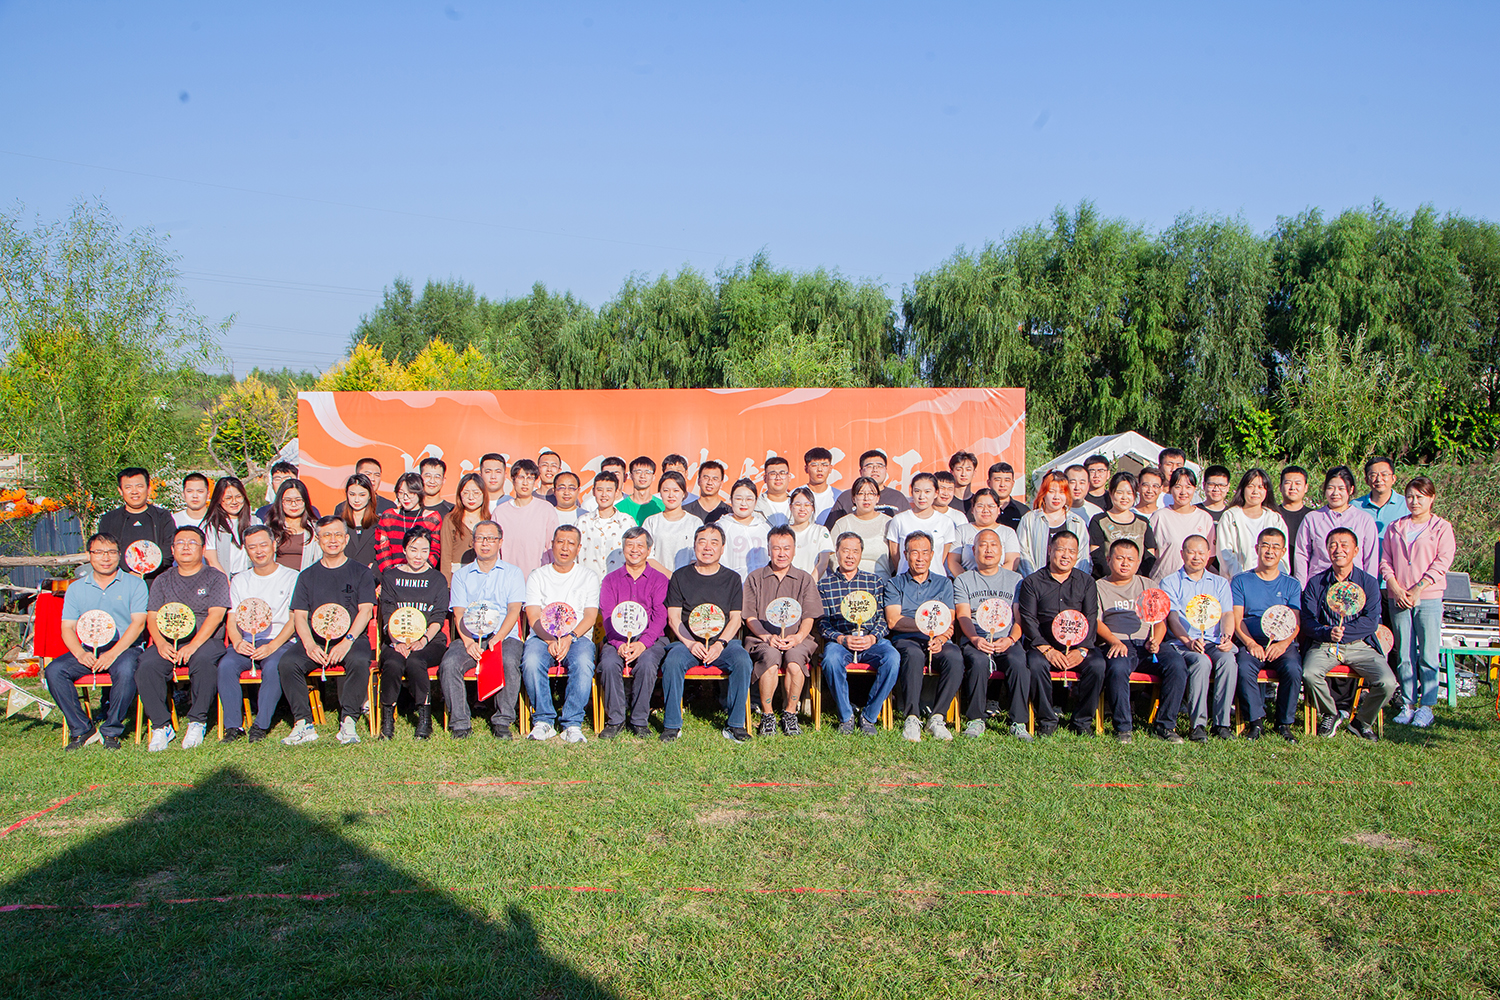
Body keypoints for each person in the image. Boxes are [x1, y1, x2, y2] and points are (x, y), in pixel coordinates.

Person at [277, 517, 377, 746]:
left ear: (346, 539)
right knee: (288, 663)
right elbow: (300, 616)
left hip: (351, 638)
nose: (333, 540)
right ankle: (303, 722)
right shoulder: (307, 576)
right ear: (318, 539)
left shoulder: (361, 572)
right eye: (326, 535)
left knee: (359, 660)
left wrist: (347, 641)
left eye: (338, 535)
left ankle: (348, 720)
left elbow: (365, 611)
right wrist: (310, 645)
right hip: (317, 639)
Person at [43, 532, 148, 751]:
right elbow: (67, 628)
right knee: (54, 670)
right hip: (88, 648)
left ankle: (111, 730)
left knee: (126, 670)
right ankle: (82, 729)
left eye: (111, 552)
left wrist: (113, 653)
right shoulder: (76, 588)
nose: (105, 557)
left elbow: (138, 624)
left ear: (119, 555)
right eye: (99, 552)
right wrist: (80, 653)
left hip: (125, 648)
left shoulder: (135, 584)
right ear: (89, 555)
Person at [137, 526, 230, 751]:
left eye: (192, 543)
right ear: (172, 549)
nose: (185, 547)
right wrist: (160, 643)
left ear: (203, 549)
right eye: (180, 543)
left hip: (205, 640)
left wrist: (193, 645)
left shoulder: (215, 577)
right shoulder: (162, 580)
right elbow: (152, 617)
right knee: (147, 666)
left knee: (203, 661)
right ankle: (161, 725)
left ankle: (197, 720)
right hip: (168, 640)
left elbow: (216, 615)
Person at [660, 524, 755, 743]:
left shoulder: (732, 579)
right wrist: (690, 643)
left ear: (722, 548)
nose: (707, 547)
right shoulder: (680, 576)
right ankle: (672, 725)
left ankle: (735, 725)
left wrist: (720, 644)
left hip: (722, 643)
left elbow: (735, 619)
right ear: (694, 546)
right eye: (702, 542)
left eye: (714, 542)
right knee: (672, 662)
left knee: (742, 661)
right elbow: (674, 618)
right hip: (688, 642)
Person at [1302, 528, 1396, 741]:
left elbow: (1371, 621)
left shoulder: (1368, 582)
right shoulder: (1316, 583)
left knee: (1387, 682)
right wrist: (1327, 632)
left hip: (1359, 644)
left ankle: (1362, 721)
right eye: (1333, 545)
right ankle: (1330, 712)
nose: (1338, 550)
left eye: (1344, 545)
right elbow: (1308, 621)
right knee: (1309, 673)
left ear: (1356, 550)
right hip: (1325, 644)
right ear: (1327, 550)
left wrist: (1345, 633)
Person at [437, 521, 526, 739]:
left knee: (509, 661)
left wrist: (498, 637)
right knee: (450, 664)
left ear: (500, 542)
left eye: (491, 539)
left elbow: (514, 610)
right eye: (480, 539)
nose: (485, 543)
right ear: (473, 542)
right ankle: (460, 723)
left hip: (503, 635)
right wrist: (468, 642)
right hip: (471, 635)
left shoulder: (513, 573)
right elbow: (458, 612)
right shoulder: (461, 575)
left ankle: (502, 720)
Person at [1094, 538, 1187, 743]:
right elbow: (1097, 622)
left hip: (1147, 641)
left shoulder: (1148, 585)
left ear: (1138, 563)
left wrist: (1156, 639)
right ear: (1109, 560)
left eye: (1130, 559)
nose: (1125, 563)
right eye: (1120, 558)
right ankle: (1123, 728)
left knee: (1177, 665)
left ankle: (1165, 725)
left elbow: (1160, 620)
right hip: (1118, 642)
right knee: (1118, 668)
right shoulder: (1099, 586)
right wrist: (1113, 641)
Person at [1379, 476, 1455, 728]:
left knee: (1428, 652)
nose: (1414, 501)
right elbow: (1385, 560)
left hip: (1428, 596)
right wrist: (1395, 587)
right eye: (1410, 496)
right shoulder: (1395, 527)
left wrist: (1419, 588)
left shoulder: (1441, 527)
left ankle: (1427, 705)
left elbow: (1443, 561)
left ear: (1431, 498)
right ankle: (1408, 703)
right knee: (1404, 653)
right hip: (1399, 596)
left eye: (1420, 497)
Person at [1015, 531, 1105, 737]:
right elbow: (1028, 619)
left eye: (1071, 551)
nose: (1066, 555)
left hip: (1078, 645)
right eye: (1061, 549)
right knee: (1035, 665)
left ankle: (1082, 721)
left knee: (1097, 665)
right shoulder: (1032, 582)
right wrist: (1047, 650)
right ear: (1050, 550)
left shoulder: (1086, 582)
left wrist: (1082, 650)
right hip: (1044, 644)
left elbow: (1091, 617)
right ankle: (1046, 720)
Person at [216, 525, 298, 743]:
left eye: (263, 545)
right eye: (252, 547)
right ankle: (233, 726)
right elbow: (232, 618)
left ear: (274, 545)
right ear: (246, 550)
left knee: (273, 667)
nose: (259, 551)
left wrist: (272, 646)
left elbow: (294, 620)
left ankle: (260, 725)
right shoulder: (239, 580)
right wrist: (237, 642)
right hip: (248, 640)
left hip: (280, 641)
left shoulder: (292, 577)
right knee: (226, 666)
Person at [521, 525, 600, 743]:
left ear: (578, 548)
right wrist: (549, 640)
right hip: (542, 636)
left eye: (571, 543)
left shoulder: (588, 576)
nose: (565, 548)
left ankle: (572, 723)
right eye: (560, 542)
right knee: (531, 661)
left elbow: (590, 616)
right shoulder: (538, 575)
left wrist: (569, 638)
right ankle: (543, 720)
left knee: (583, 662)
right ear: (552, 545)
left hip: (577, 637)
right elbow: (533, 615)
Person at [817, 532, 900, 735]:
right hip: (841, 641)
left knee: (892, 658)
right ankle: (846, 716)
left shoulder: (875, 582)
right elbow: (822, 623)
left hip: (871, 640)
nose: (850, 556)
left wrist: (873, 637)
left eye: (855, 551)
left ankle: (869, 716)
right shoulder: (825, 585)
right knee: (831, 660)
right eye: (845, 550)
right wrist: (841, 638)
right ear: (837, 552)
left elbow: (883, 619)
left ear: (861, 553)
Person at [884, 532, 963, 743]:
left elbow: (949, 620)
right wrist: (927, 625)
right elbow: (893, 620)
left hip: (938, 639)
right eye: (914, 552)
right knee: (913, 655)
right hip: (906, 638)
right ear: (905, 554)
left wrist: (941, 638)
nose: (920, 558)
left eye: (925, 552)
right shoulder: (895, 584)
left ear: (932, 555)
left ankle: (937, 717)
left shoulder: (943, 584)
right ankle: (912, 717)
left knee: (954, 657)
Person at [744, 524, 822, 736]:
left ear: (794, 550)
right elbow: (750, 616)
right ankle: (767, 715)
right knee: (770, 658)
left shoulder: (804, 579)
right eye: (776, 548)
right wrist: (766, 636)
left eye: (786, 548)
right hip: (763, 638)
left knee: (795, 661)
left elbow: (809, 616)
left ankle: (790, 713)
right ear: (768, 550)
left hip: (797, 638)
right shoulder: (754, 578)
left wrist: (798, 637)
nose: (781, 553)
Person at [1230, 527, 1304, 742]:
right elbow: (1237, 618)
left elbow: (1296, 622)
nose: (1270, 551)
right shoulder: (1241, 581)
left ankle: (1284, 723)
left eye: (1275, 547)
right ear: (1257, 548)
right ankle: (1256, 722)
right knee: (1244, 668)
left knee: (1293, 669)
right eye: (1265, 546)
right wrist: (1250, 643)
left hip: (1281, 643)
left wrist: (1283, 644)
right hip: (1251, 641)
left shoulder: (1291, 584)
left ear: (1283, 552)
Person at [376, 526, 449, 740]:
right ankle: (387, 719)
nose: (418, 556)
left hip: (430, 640)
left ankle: (424, 718)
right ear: (404, 550)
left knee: (417, 661)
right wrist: (396, 641)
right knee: (392, 662)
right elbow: (388, 612)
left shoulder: (437, 579)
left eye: (424, 551)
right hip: (396, 638)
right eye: (413, 550)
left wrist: (424, 640)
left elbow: (438, 616)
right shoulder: (391, 576)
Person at [598, 526, 671, 739]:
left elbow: (660, 616)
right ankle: (615, 719)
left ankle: (639, 720)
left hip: (651, 638)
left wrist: (642, 643)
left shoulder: (659, 580)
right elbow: (607, 614)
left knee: (647, 663)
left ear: (648, 550)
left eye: (640, 545)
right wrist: (618, 643)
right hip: (617, 637)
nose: (635, 550)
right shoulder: (610, 580)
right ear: (623, 549)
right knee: (609, 663)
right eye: (630, 545)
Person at [953, 529, 1025, 739]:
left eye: (993, 545)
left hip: (1006, 639)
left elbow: (1019, 617)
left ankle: (1018, 722)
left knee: (1019, 663)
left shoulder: (1016, 579)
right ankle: (976, 719)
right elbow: (963, 614)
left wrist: (1011, 639)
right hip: (976, 638)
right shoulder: (964, 580)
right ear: (974, 551)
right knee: (978, 662)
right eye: (983, 545)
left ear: (1001, 550)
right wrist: (975, 638)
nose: (988, 550)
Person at [1161, 535, 1234, 741]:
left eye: (1201, 553)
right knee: (1201, 662)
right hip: (1184, 643)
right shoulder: (1170, 582)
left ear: (1209, 554)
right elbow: (1173, 617)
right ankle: (1198, 725)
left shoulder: (1220, 582)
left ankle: (1222, 723)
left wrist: (1227, 637)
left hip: (1213, 640)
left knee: (1228, 660)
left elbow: (1227, 614)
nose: (1196, 557)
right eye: (1191, 552)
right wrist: (1187, 641)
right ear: (1182, 554)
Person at [1293, 467, 1379, 585]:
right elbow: (1301, 555)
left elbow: (1370, 558)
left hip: (1354, 586)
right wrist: (1302, 587)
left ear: (1351, 489)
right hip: (1320, 585)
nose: (1335, 493)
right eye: (1330, 488)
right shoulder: (1312, 518)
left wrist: (1368, 587)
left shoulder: (1364, 520)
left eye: (1341, 488)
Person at [98, 467, 177, 582]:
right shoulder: (109, 519)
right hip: (120, 581)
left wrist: (147, 570)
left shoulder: (162, 517)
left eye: (139, 486)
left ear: (148, 488)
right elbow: (104, 551)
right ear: (120, 490)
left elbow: (170, 549)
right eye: (128, 487)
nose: (134, 491)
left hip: (157, 581)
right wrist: (127, 573)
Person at [1216, 468, 1289, 580]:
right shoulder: (1230, 517)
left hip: (1269, 582)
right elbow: (1225, 554)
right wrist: (1242, 579)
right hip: (1238, 580)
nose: (1255, 491)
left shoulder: (1275, 519)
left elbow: (1282, 556)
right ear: (1243, 489)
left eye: (1260, 487)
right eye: (1250, 486)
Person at [1015, 471, 1090, 577]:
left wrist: (1073, 581)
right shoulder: (1029, 519)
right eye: (1051, 491)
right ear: (1043, 493)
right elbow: (1023, 553)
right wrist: (1034, 580)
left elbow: (1083, 557)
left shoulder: (1077, 522)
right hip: (1036, 582)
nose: (1056, 497)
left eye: (1062, 492)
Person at [493, 458, 560, 575]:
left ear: (535, 481)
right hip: (508, 577)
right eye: (521, 477)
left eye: (530, 478)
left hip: (539, 577)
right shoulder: (500, 512)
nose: (525, 483)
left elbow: (552, 546)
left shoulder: (546, 509)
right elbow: (495, 550)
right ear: (513, 480)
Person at [1148, 468, 1216, 582]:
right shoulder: (1159, 516)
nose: (1183, 492)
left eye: (1188, 487)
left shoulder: (1204, 518)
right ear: (1170, 489)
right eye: (1178, 487)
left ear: (1195, 488)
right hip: (1163, 582)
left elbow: (1211, 555)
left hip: (1194, 583)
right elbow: (1149, 552)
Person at [886, 473, 957, 578]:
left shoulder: (945, 522)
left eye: (927, 492)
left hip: (936, 581)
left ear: (936, 493)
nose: (922, 496)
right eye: (917, 491)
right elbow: (895, 555)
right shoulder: (899, 520)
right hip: (905, 581)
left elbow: (941, 557)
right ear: (912, 492)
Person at [1087, 472, 1157, 579]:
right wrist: (1114, 577)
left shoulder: (1143, 522)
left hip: (1136, 580)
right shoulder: (1099, 520)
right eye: (1119, 492)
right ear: (1111, 493)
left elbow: (1150, 554)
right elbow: (1097, 554)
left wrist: (1135, 578)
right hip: (1107, 580)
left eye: (1129, 493)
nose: (1124, 497)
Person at [375, 472, 443, 572]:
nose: (405, 497)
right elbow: (382, 549)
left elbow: (435, 550)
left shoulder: (431, 518)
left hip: (421, 573)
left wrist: (422, 571)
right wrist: (390, 574)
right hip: (393, 573)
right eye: (401, 493)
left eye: (411, 493)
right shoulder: (389, 517)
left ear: (419, 492)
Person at [820, 450, 910, 525]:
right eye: (869, 466)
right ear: (861, 471)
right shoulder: (846, 497)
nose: (875, 470)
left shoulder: (898, 498)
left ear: (886, 470)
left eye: (879, 466)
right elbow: (831, 528)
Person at [948, 488, 1021, 576]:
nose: (985, 510)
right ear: (972, 509)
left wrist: (994, 580)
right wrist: (966, 581)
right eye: (980, 506)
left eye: (991, 506)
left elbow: (1012, 562)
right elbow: (953, 561)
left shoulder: (1008, 532)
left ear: (998, 510)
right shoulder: (962, 530)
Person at [576, 471, 635, 579]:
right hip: (588, 583)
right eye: (599, 490)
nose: (604, 494)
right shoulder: (582, 522)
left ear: (616, 492)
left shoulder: (627, 522)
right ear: (593, 492)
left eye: (609, 490)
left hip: (619, 583)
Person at [830, 477, 893, 578]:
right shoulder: (842, 523)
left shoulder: (888, 523)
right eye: (861, 493)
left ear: (877, 498)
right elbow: (831, 555)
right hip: (848, 582)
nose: (866, 498)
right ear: (853, 498)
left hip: (881, 582)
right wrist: (844, 577)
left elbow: (895, 557)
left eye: (871, 493)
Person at [644, 472, 703, 575]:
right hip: (658, 579)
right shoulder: (651, 522)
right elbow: (647, 556)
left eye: (676, 490)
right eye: (666, 490)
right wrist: (671, 576)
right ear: (660, 493)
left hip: (687, 579)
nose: (671, 495)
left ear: (684, 493)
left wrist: (681, 578)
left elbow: (697, 556)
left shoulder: (695, 522)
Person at [202, 476, 259, 578]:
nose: (234, 502)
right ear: (219, 499)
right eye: (228, 498)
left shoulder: (255, 522)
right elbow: (211, 559)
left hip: (250, 577)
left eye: (238, 497)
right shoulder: (212, 525)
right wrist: (225, 581)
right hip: (223, 578)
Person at [718, 479, 771, 579]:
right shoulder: (722, 527)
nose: (743, 503)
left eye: (749, 499)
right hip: (733, 584)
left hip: (762, 584)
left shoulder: (764, 528)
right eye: (738, 499)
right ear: (731, 500)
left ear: (756, 501)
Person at [438, 472, 486, 581]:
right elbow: (445, 557)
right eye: (466, 493)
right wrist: (447, 584)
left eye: (476, 493)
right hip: (456, 576)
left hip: (483, 577)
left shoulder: (490, 519)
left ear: (484, 494)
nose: (471, 497)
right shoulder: (450, 520)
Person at [267, 478, 319, 571]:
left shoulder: (315, 529)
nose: (294, 504)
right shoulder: (270, 528)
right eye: (288, 500)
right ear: (280, 502)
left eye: (298, 500)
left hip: (304, 578)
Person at [787, 487, 833, 580]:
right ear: (791, 507)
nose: (802, 509)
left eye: (807, 505)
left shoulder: (820, 531)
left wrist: (809, 585)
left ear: (812, 508)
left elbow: (823, 563)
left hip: (814, 585)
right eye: (798, 504)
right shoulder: (783, 533)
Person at [338, 473, 380, 570]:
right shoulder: (338, 523)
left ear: (370, 495)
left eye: (362, 495)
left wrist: (374, 571)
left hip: (370, 577)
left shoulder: (379, 524)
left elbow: (384, 555)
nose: (356, 500)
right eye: (352, 494)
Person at [1276, 466, 1311, 575]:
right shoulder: (1273, 516)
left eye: (1297, 483)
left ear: (1306, 487)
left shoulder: (1313, 517)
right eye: (1288, 483)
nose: (1292, 487)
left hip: (1307, 574)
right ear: (1280, 487)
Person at [617, 456, 665, 526]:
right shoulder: (619, 508)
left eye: (647, 472)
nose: (642, 476)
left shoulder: (662, 507)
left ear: (653, 477)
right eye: (638, 472)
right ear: (630, 476)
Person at [984, 462, 1030, 530]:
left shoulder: (1023, 511)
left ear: (1012, 483)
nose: (1002, 484)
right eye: (997, 480)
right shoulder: (980, 509)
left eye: (1007, 480)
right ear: (988, 482)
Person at [802, 448, 842, 521]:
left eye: (824, 465)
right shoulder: (796, 495)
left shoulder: (839, 497)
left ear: (830, 468)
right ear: (806, 469)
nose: (819, 469)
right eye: (814, 465)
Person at [754, 456, 793, 527]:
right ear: (765, 478)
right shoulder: (755, 506)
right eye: (773, 474)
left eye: (782, 473)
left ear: (789, 477)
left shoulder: (798, 504)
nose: (778, 478)